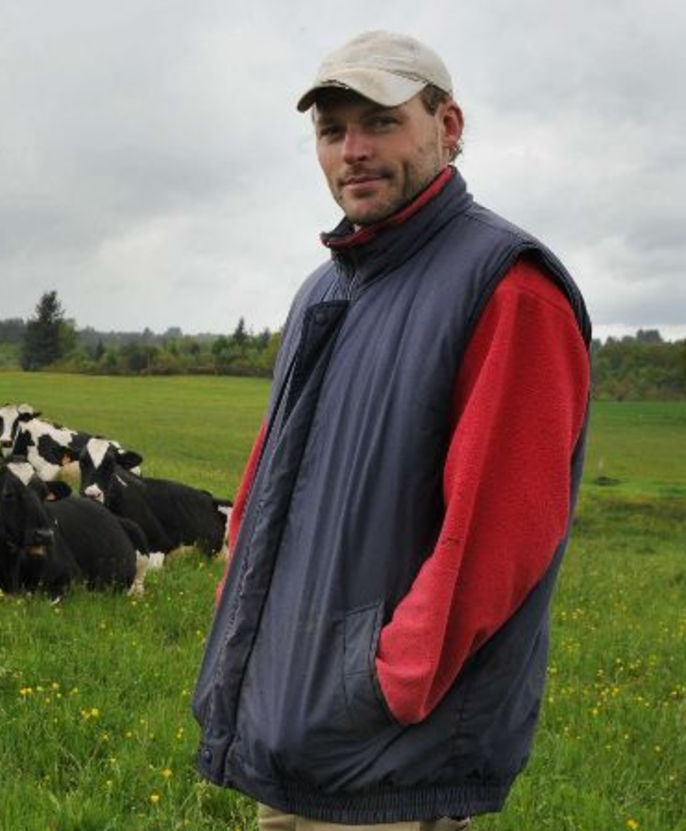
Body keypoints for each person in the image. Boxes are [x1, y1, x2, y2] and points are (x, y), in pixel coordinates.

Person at [192, 30, 591, 829]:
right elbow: (268, 475)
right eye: (332, 130)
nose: (353, 151)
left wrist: (384, 683)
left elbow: (498, 537)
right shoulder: (325, 288)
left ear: (448, 125)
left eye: (380, 122)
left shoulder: (508, 287)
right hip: (293, 731)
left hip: (389, 756)